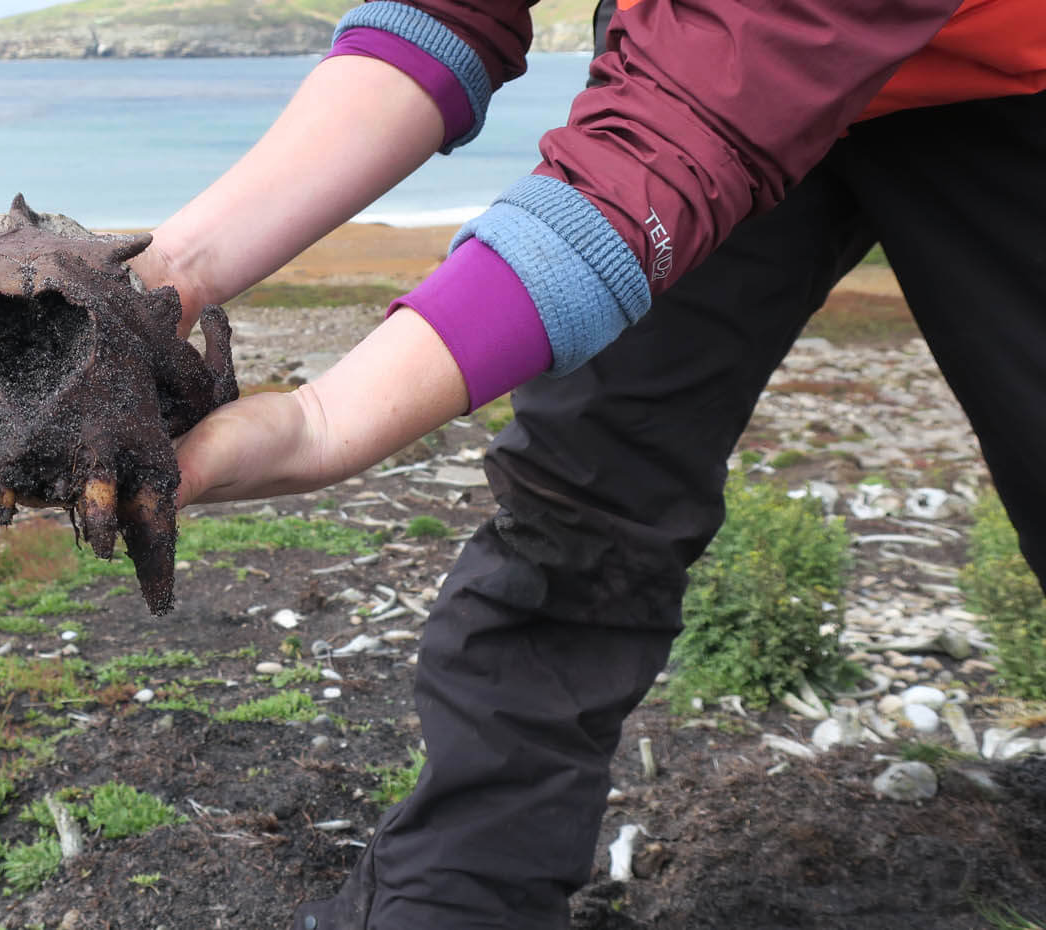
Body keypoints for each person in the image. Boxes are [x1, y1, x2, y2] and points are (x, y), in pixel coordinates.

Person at [124, 0, 1046, 927]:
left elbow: (691, 124)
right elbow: (446, 15)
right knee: (585, 495)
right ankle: (454, 899)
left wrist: (325, 421)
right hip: (691, 58)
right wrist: (161, 274)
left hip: (1006, 78)